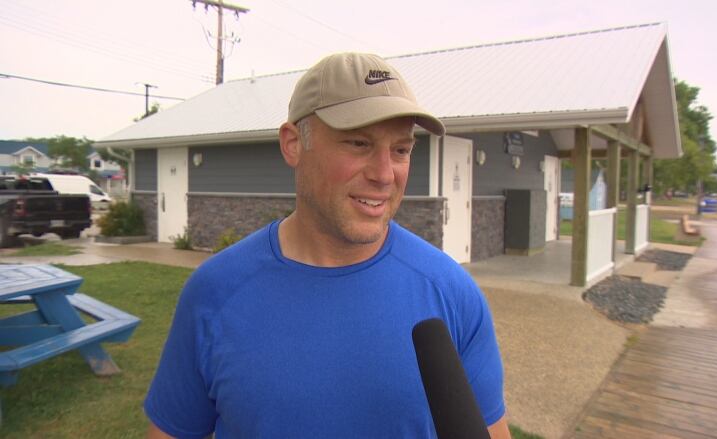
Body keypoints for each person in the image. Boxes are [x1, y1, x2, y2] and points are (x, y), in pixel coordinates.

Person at [145, 52, 510, 439]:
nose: (384, 174)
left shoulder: (452, 293)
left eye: (400, 150)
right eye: (358, 143)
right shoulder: (215, 292)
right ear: (292, 144)